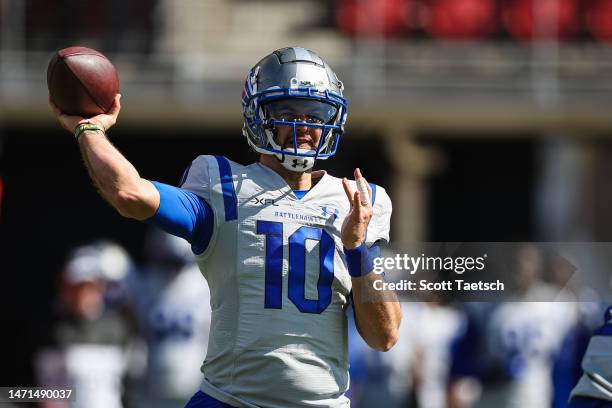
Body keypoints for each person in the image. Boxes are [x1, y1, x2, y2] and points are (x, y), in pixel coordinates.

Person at [50, 46, 402, 408]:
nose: (305, 126)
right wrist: (89, 129)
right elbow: (129, 193)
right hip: (231, 401)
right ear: (257, 115)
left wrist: (358, 251)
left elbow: (385, 336)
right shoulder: (223, 184)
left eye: (315, 114)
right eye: (287, 112)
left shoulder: (358, 200)